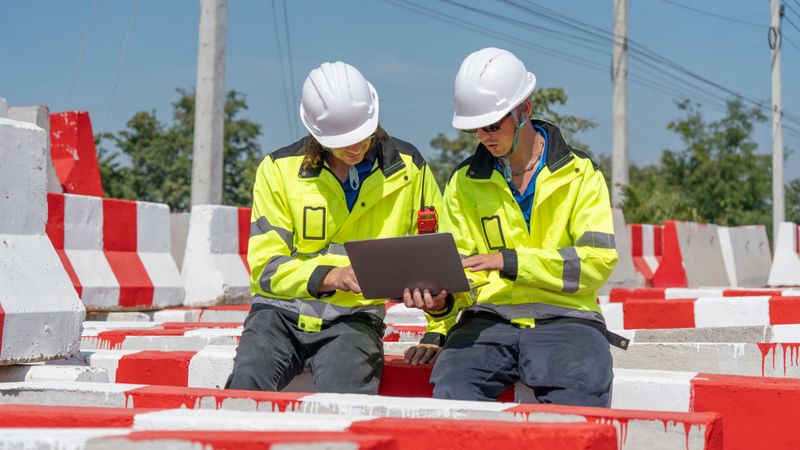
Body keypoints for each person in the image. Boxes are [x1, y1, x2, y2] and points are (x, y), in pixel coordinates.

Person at [410, 47, 621, 407]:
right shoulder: (463, 182)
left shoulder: (580, 174)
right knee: (451, 391)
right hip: (488, 321)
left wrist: (511, 262)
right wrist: (439, 306)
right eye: (475, 128)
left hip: (568, 320)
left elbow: (596, 262)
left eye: (493, 125)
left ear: (525, 108)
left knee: (579, 402)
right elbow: (463, 273)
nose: (483, 136)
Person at [226, 61, 445, 394]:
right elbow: (265, 267)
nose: (355, 147)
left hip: (354, 320)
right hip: (277, 315)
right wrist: (331, 275)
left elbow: (438, 255)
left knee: (347, 404)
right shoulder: (278, 170)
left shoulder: (409, 169)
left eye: (361, 134)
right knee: (244, 389)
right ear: (315, 132)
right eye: (342, 140)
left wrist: (438, 327)